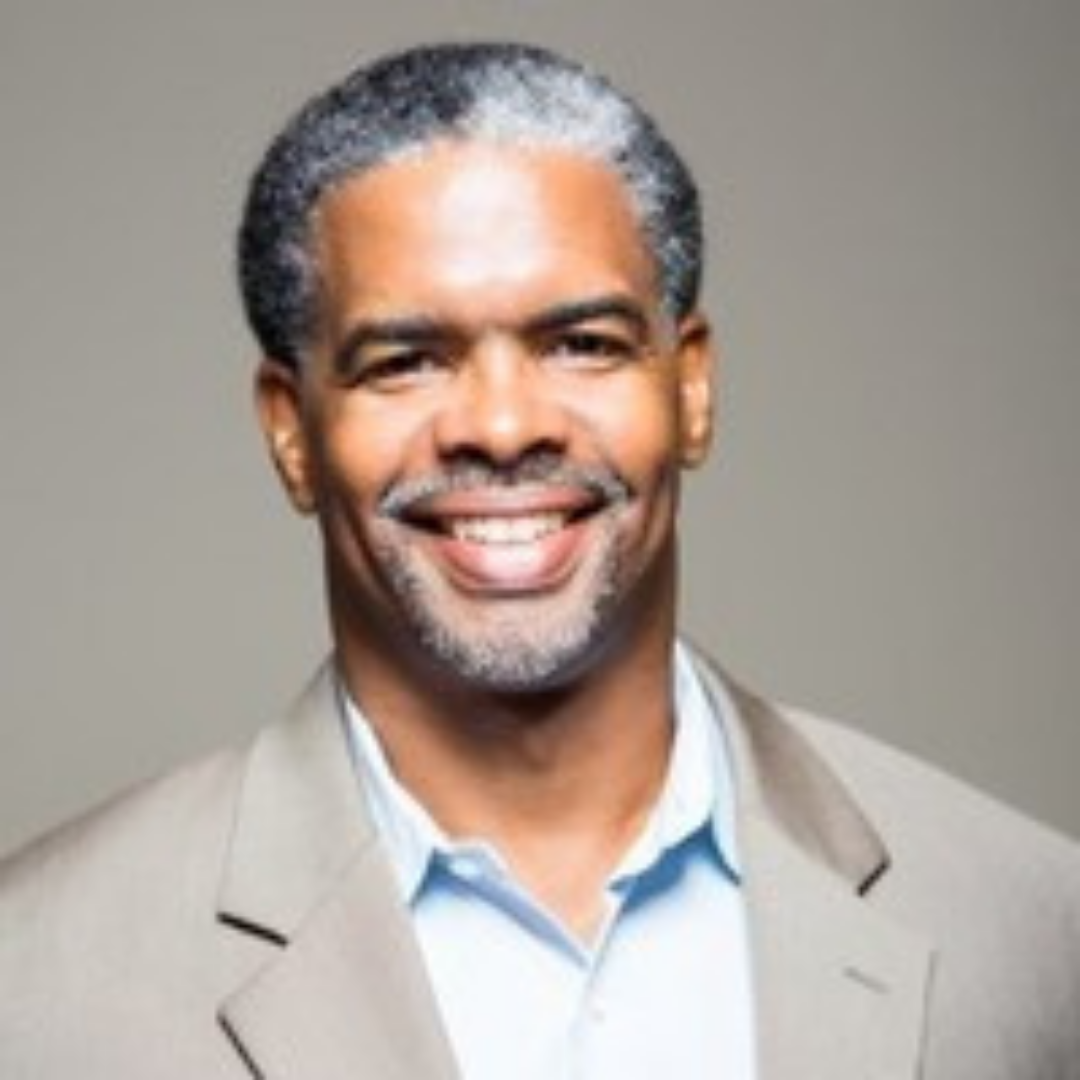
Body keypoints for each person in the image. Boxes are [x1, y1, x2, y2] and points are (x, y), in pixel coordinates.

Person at [1, 41, 1078, 1080]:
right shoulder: (34, 985)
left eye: (583, 344)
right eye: (407, 360)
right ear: (291, 429)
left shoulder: (1035, 931)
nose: (505, 426)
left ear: (691, 385)